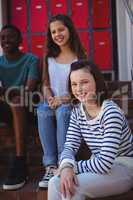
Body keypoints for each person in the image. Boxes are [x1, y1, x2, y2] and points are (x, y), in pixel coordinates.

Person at [48, 60, 133, 200]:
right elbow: (69, 145)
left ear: (97, 82)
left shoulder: (111, 113)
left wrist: (71, 167)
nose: (79, 89)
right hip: (99, 166)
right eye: (74, 84)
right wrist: (65, 166)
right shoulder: (77, 112)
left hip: (124, 167)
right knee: (54, 182)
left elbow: (104, 163)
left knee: (69, 188)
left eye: (84, 82)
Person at [37, 14, 86, 188]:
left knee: (63, 111)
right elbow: (45, 83)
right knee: (42, 109)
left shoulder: (79, 56)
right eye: (53, 32)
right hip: (54, 101)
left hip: (73, 101)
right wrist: (49, 96)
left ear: (70, 30)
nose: (57, 34)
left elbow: (82, 88)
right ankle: (50, 165)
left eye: (61, 29)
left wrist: (62, 99)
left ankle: (63, 161)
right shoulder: (49, 56)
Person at [0, 25, 39, 190]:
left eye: (10, 37)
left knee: (17, 100)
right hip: (9, 106)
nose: (6, 41)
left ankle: (20, 161)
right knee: (14, 100)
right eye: (2, 38)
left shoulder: (31, 60)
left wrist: (7, 92)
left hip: (29, 107)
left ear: (20, 40)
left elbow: (28, 90)